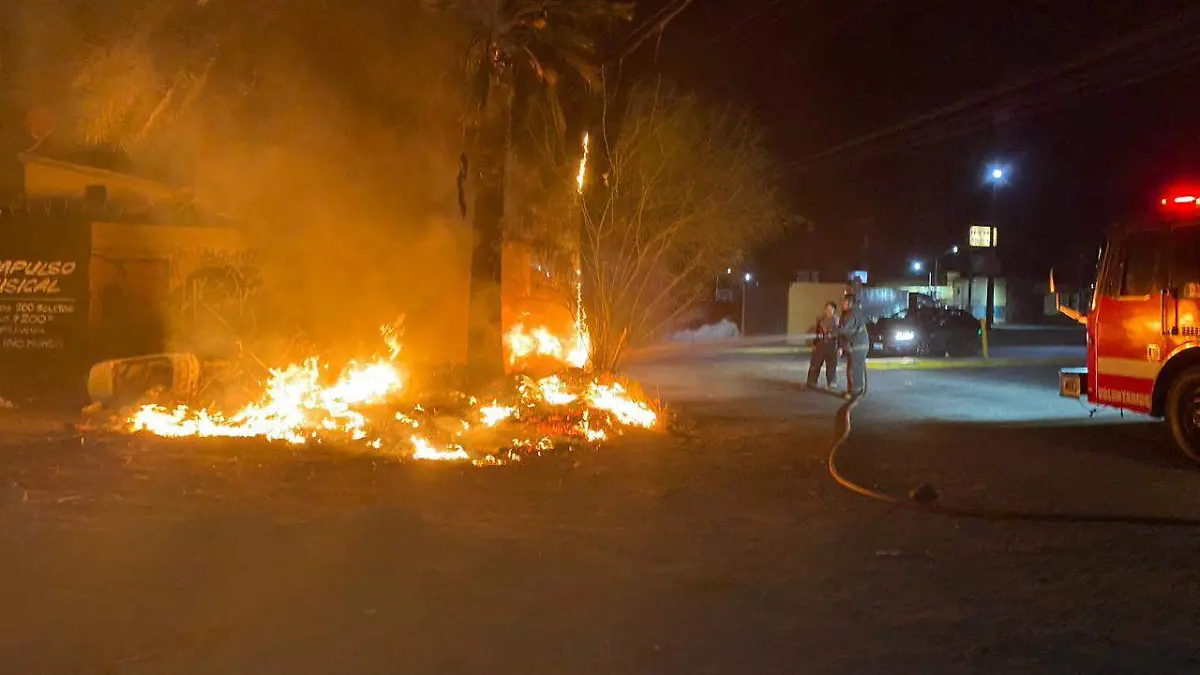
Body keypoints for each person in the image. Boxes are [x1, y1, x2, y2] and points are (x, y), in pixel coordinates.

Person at [838, 293, 869, 398]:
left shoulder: (852, 314)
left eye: (844, 302)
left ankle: (856, 392)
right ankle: (853, 390)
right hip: (855, 345)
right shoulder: (848, 313)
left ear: (850, 303)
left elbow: (844, 329)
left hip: (858, 346)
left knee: (855, 369)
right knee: (852, 369)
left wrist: (832, 332)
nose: (842, 304)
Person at [806, 301, 839, 389]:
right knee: (815, 363)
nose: (828, 310)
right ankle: (811, 382)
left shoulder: (837, 320)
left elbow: (840, 334)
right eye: (826, 308)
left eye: (830, 308)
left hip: (832, 345)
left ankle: (831, 383)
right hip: (821, 344)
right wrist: (814, 343)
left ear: (834, 309)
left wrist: (840, 347)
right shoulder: (821, 319)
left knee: (831, 366)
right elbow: (817, 332)